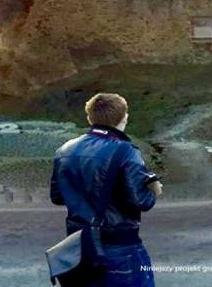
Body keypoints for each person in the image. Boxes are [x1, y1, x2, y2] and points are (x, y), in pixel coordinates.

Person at [50, 93, 162, 286]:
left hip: (79, 247)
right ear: (124, 117)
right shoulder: (126, 150)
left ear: (89, 118)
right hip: (120, 246)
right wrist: (154, 191)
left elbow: (57, 196)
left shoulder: (64, 150)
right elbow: (141, 201)